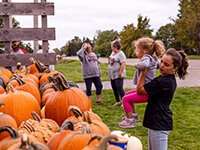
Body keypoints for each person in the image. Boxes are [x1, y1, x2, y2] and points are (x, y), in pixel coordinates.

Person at [137, 48, 188, 150]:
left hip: (159, 124)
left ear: (174, 68)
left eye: (166, 64)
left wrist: (144, 70)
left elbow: (140, 89)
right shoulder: (166, 79)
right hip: (155, 122)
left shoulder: (163, 81)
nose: (161, 65)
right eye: (161, 62)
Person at [119, 37, 165, 128]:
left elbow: (144, 65)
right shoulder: (153, 58)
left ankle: (129, 121)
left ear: (143, 51)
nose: (136, 52)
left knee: (125, 99)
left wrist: (137, 65)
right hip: (148, 88)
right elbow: (158, 65)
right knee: (126, 95)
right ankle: (133, 116)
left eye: (137, 49)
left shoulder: (146, 57)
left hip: (146, 91)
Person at [108, 39, 126, 106]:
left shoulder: (121, 54)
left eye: (112, 46)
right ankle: (117, 101)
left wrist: (120, 73)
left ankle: (124, 101)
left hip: (118, 74)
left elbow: (123, 64)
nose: (111, 47)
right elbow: (110, 60)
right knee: (114, 87)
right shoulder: (112, 53)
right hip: (112, 74)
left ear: (116, 47)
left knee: (119, 87)